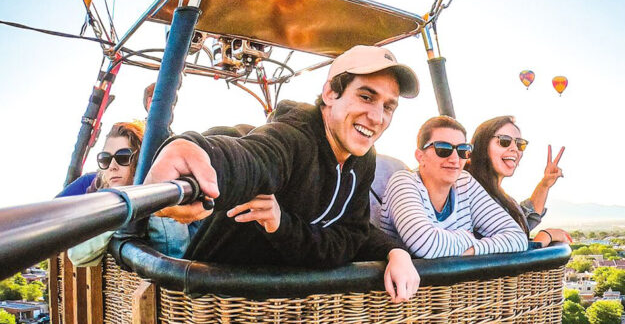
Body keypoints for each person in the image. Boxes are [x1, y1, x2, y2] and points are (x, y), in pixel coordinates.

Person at [145, 45, 422, 303]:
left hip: (288, 305)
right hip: (220, 302)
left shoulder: (362, 160)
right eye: (365, 96)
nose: (377, 117)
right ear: (330, 94)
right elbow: (253, 158)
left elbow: (351, 236)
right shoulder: (292, 138)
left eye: (388, 106)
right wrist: (196, 153)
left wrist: (394, 252)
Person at [378, 116, 528, 259]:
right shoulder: (403, 182)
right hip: (412, 284)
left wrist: (474, 250)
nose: (455, 159)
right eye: (443, 149)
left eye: (463, 150)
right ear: (420, 156)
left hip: (458, 284)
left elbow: (518, 237)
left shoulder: (465, 183)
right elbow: (425, 245)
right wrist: (470, 237)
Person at [61, 122, 190, 265]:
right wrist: (120, 212)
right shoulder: (96, 191)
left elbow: (174, 257)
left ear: (140, 160)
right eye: (105, 159)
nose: (112, 166)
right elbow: (76, 255)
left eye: (122, 157)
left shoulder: (162, 192)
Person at [466, 115, 571, 246]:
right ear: (482, 145)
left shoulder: (495, 194)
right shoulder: (471, 193)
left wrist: (545, 184)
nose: (514, 149)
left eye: (519, 144)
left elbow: (521, 221)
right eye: (504, 141)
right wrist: (545, 237)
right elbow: (505, 252)